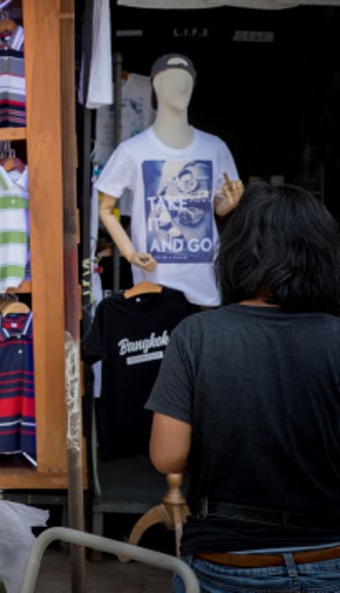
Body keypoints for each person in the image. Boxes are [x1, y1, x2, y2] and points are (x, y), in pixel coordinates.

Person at [147, 182, 340, 592]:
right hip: (330, 558)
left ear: (237, 251)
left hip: (224, 566)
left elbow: (167, 457)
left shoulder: (196, 335)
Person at [95, 53, 243, 306]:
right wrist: (130, 253)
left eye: (186, 80)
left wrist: (230, 203)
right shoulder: (132, 150)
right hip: (154, 280)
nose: (181, 86)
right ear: (155, 86)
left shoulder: (214, 148)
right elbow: (105, 209)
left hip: (204, 282)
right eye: (172, 79)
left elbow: (217, 207)